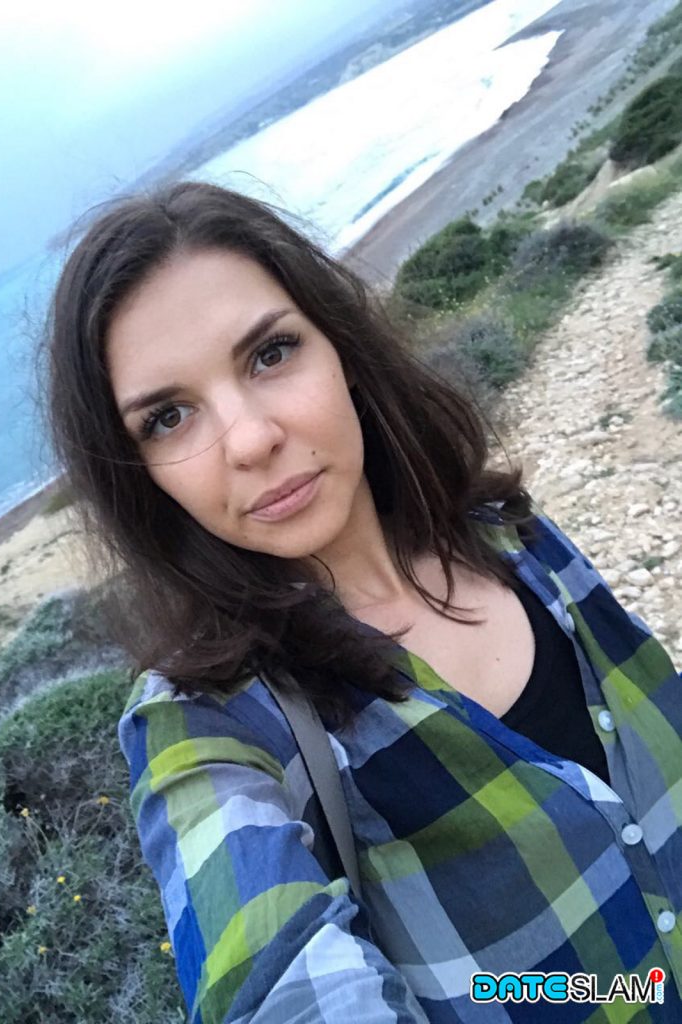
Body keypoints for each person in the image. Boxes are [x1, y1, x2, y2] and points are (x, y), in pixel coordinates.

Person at [44, 180, 682, 1023]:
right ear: (137, 476)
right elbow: (272, 982)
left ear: (339, 345)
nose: (251, 439)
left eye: (271, 353)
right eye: (168, 417)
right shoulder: (210, 725)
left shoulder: (511, 537)